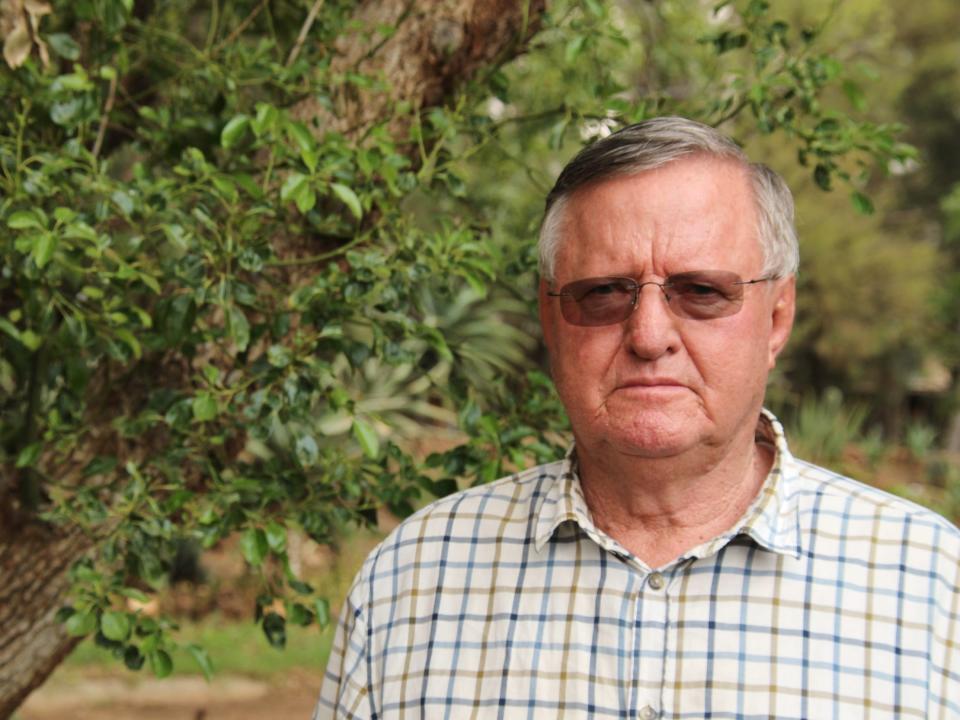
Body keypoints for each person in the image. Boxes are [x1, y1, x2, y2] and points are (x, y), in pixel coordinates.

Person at [313, 117, 960, 719]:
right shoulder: (413, 581)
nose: (650, 336)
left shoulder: (933, 589)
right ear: (549, 318)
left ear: (778, 318)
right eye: (602, 293)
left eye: (701, 292)